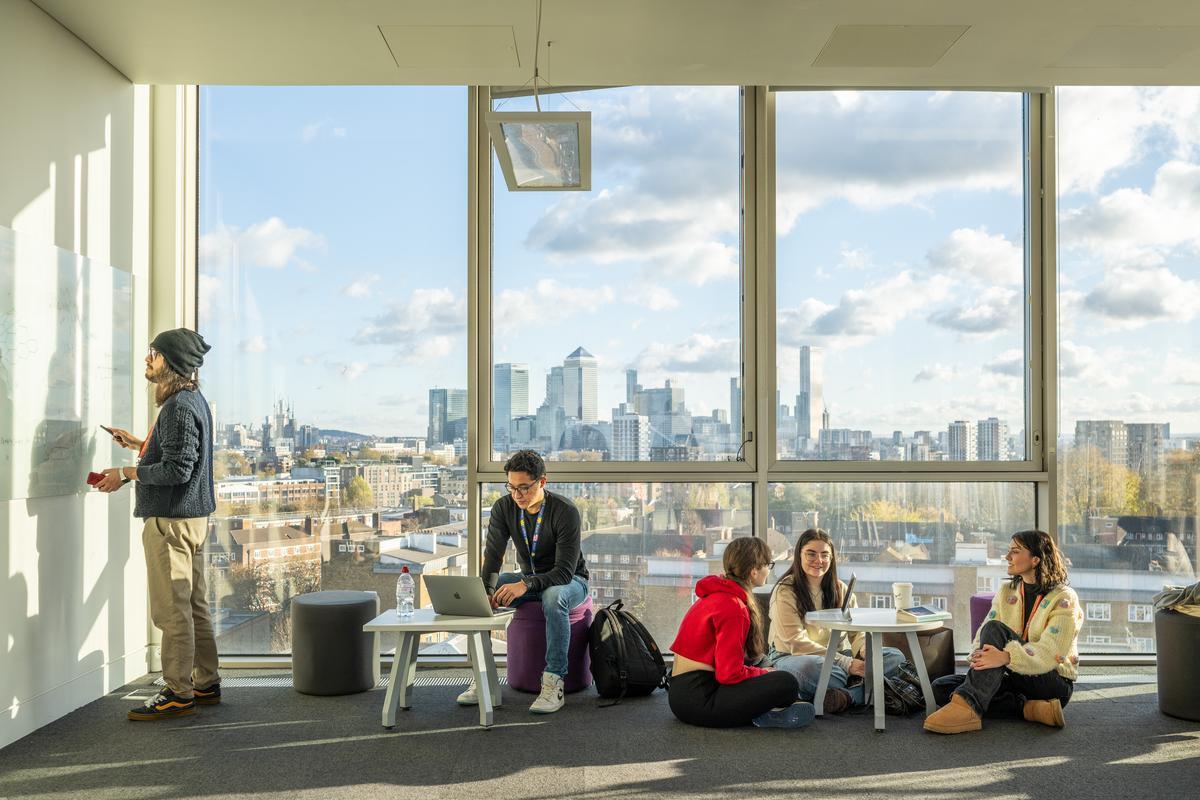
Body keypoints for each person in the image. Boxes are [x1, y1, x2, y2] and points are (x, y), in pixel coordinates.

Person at [96, 329, 218, 721]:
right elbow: (181, 456)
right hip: (191, 519)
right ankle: (205, 682)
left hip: (172, 521)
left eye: (154, 353)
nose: (148, 359)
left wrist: (127, 472)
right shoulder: (192, 401)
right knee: (194, 606)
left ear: (172, 362)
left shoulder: (178, 408)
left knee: (172, 611)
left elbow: (178, 470)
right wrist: (140, 444)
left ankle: (178, 692)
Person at [467, 449, 589, 714]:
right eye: (511, 487)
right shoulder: (504, 507)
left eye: (523, 488)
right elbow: (493, 556)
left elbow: (564, 573)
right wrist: (487, 590)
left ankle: (553, 681)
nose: (517, 495)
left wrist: (525, 585)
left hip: (571, 581)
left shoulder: (564, 511)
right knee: (483, 593)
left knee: (553, 596)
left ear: (542, 482)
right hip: (531, 580)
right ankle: (483, 679)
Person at [924, 529, 1082, 734]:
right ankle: (1029, 709)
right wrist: (980, 657)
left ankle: (968, 708)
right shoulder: (1007, 591)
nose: (1007, 557)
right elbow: (982, 635)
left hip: (1051, 682)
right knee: (940, 687)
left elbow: (1050, 651)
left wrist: (1006, 657)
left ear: (1035, 559)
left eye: (1015, 552)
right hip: (1013, 674)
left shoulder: (1064, 598)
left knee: (995, 629)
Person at [669, 536, 815, 729]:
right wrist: (764, 673)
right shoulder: (733, 607)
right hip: (700, 701)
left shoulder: (714, 595)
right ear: (754, 570)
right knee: (786, 682)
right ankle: (771, 710)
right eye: (767, 565)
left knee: (760, 660)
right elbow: (728, 675)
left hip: (682, 692)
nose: (768, 571)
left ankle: (774, 708)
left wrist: (760, 670)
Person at [766, 529, 905, 713]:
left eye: (825, 555)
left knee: (895, 657)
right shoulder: (785, 591)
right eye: (811, 554)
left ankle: (846, 696)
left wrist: (864, 651)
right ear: (798, 555)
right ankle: (863, 690)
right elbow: (795, 643)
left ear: (832, 559)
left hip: (839, 657)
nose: (819, 560)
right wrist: (847, 664)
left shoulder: (840, 589)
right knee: (812, 667)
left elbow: (857, 632)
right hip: (793, 657)